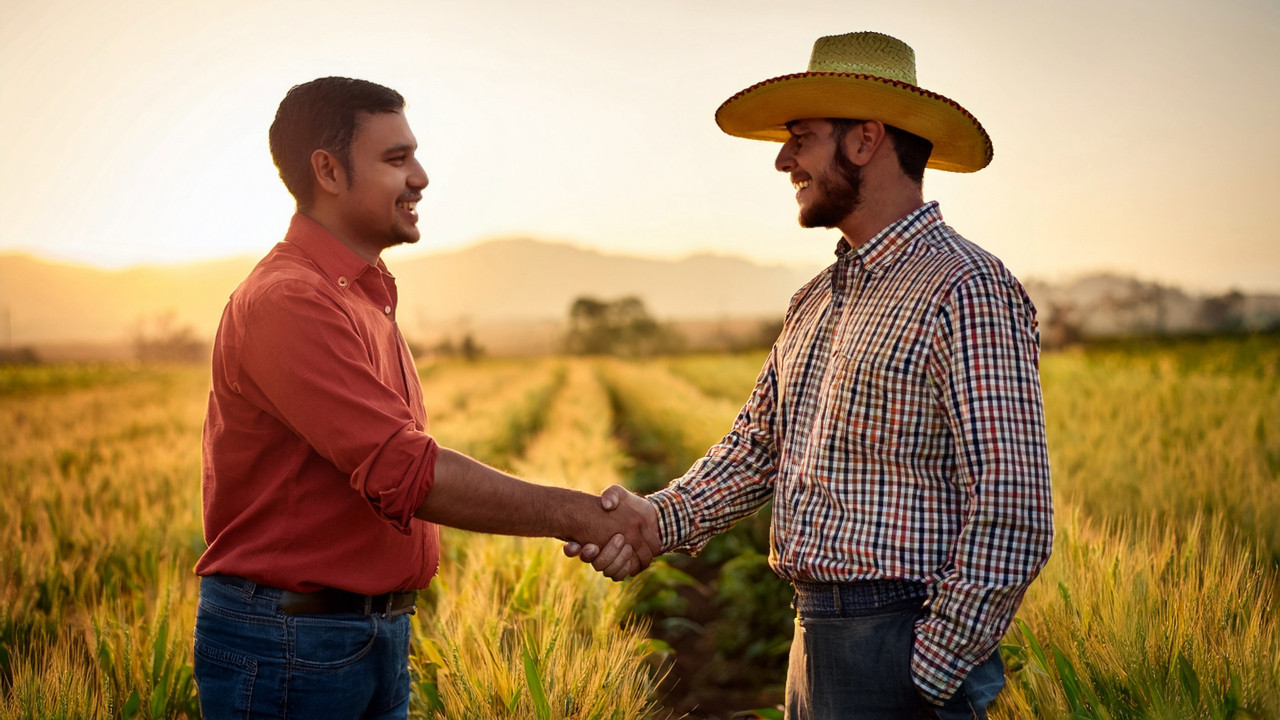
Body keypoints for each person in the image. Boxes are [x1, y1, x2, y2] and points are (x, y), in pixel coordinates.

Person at [569, 31, 1054, 719]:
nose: (781, 159)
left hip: (898, 642)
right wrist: (654, 519)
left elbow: (1014, 504)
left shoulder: (965, 288)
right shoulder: (815, 300)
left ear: (864, 140)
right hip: (815, 638)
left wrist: (928, 668)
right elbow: (756, 450)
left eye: (801, 136)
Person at [192, 76, 659, 720]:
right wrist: (584, 516)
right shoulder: (290, 301)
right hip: (292, 648)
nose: (421, 177)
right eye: (395, 159)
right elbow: (404, 470)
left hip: (361, 637)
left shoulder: (360, 293)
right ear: (327, 170)